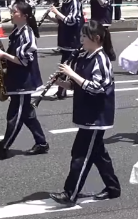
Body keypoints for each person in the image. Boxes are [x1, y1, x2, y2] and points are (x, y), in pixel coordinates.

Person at [49, 20, 121, 206]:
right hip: (86, 113)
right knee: (97, 153)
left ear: (96, 38)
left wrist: (72, 73)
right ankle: (113, 188)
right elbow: (77, 85)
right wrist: (61, 82)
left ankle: (70, 193)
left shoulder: (101, 59)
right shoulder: (84, 56)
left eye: (84, 36)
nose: (81, 39)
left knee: (81, 155)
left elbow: (97, 88)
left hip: (97, 116)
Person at [0, 0, 48, 160]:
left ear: (24, 16)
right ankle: (41, 143)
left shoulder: (27, 33)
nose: (11, 14)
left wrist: (3, 55)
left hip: (23, 81)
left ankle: (3, 147)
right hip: (17, 78)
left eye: (14, 12)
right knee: (27, 114)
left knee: (14, 116)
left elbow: (24, 61)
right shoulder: (17, 31)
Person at [47, 0, 84, 101]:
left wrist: (56, 12)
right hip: (65, 38)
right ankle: (63, 90)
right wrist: (50, 17)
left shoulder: (75, 2)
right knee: (66, 65)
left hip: (73, 40)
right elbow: (62, 21)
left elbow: (71, 21)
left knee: (68, 66)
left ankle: (63, 90)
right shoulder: (66, 1)